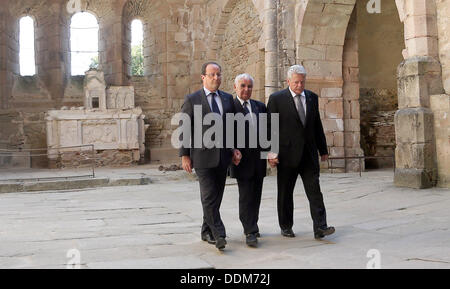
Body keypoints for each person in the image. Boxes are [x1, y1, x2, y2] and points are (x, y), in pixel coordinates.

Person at [267, 64, 335, 240]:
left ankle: (320, 226)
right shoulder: (276, 99)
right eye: (296, 82)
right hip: (286, 155)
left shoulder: (312, 97)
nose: (299, 85)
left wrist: (323, 149)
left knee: (315, 191)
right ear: (288, 81)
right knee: (285, 192)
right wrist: (271, 153)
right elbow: (270, 128)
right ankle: (286, 226)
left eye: (302, 82)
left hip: (309, 155)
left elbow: (316, 124)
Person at [179, 62, 241, 251]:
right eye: (212, 74)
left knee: (217, 196)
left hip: (223, 157)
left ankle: (206, 230)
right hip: (202, 156)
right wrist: (185, 155)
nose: (216, 78)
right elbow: (184, 128)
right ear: (203, 77)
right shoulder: (192, 99)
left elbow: (232, 128)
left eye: (219, 74)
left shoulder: (227, 99)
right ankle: (218, 234)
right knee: (208, 196)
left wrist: (235, 149)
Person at [229, 73, 267, 247]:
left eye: (249, 86)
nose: (246, 89)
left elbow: (268, 131)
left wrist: (270, 154)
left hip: (258, 160)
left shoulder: (260, 106)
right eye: (243, 86)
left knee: (256, 195)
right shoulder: (230, 106)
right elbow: (226, 132)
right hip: (241, 160)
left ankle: (254, 224)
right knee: (245, 196)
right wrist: (231, 151)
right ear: (235, 87)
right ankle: (249, 231)